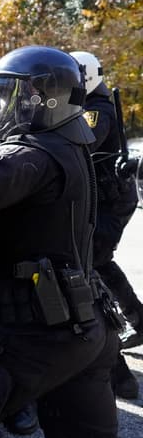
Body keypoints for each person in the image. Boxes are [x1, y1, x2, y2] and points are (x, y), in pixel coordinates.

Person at [0, 45, 143, 438]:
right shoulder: (66, 143)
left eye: (17, 96)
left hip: (39, 335)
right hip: (83, 328)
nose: (5, 106)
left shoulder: (33, 154)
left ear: (45, 101)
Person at [70, 50, 142, 399]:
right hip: (107, 198)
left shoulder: (97, 108)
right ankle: (138, 321)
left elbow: (83, 142)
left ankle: (115, 367)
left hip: (114, 200)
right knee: (100, 263)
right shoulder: (87, 101)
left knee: (92, 267)